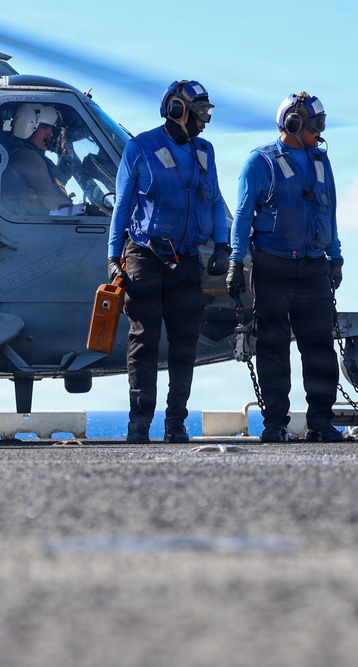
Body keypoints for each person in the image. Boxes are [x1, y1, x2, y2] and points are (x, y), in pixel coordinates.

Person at [106, 80, 230, 444]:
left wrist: (222, 246)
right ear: (178, 111)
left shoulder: (205, 152)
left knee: (185, 342)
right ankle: (138, 424)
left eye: (207, 114)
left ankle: (175, 423)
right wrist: (114, 257)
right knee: (144, 341)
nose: (205, 122)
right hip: (144, 256)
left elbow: (214, 200)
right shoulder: (140, 148)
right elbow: (122, 207)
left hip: (187, 259)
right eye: (201, 114)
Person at [227, 91, 345, 443]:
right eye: (316, 125)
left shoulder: (322, 161)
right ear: (293, 124)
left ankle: (320, 422)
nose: (321, 132)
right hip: (273, 267)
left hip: (313, 269)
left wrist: (335, 255)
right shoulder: (260, 163)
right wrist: (236, 261)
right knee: (273, 347)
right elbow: (243, 216)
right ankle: (274, 423)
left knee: (320, 347)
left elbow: (330, 211)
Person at [1, 103, 74, 215]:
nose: (50, 134)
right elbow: (52, 201)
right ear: (26, 126)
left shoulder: (17, 154)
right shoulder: (29, 157)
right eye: (45, 127)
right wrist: (80, 211)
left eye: (52, 129)